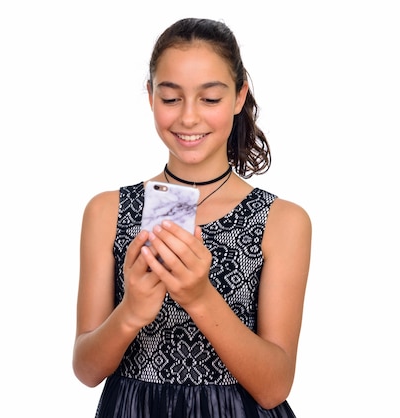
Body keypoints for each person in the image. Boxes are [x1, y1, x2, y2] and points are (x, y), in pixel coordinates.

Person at [72, 17, 312, 417]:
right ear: (150, 96)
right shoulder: (106, 211)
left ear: (239, 97)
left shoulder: (283, 221)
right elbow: (86, 369)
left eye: (210, 99)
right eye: (171, 98)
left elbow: (274, 388)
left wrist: (200, 298)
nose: (188, 117)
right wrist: (130, 312)